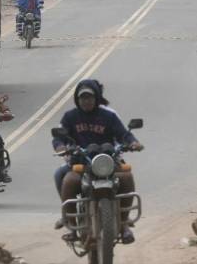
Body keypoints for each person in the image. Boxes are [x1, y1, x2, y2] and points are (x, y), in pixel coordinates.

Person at [51, 80, 143, 243]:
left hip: (108, 161)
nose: (86, 101)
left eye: (90, 97)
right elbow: (59, 137)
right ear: (77, 99)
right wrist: (60, 147)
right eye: (83, 98)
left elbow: (124, 134)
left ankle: (123, 224)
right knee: (66, 179)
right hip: (81, 162)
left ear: (97, 98)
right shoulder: (70, 117)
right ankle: (72, 225)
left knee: (126, 177)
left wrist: (133, 143)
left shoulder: (108, 116)